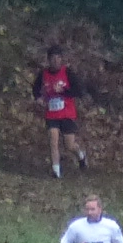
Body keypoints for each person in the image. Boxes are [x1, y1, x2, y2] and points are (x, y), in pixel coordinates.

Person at [34, 46, 89, 179]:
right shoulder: (43, 74)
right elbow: (35, 89)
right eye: (53, 59)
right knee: (53, 139)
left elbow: (79, 91)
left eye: (58, 58)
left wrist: (63, 91)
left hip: (66, 113)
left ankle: (81, 155)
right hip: (51, 113)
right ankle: (56, 171)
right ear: (49, 60)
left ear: (61, 59)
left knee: (69, 145)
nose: (56, 61)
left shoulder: (68, 73)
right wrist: (39, 98)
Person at [59, 194, 123, 243]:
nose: (89, 212)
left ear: (100, 209)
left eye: (92, 209)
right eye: (87, 209)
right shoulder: (76, 226)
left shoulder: (111, 225)